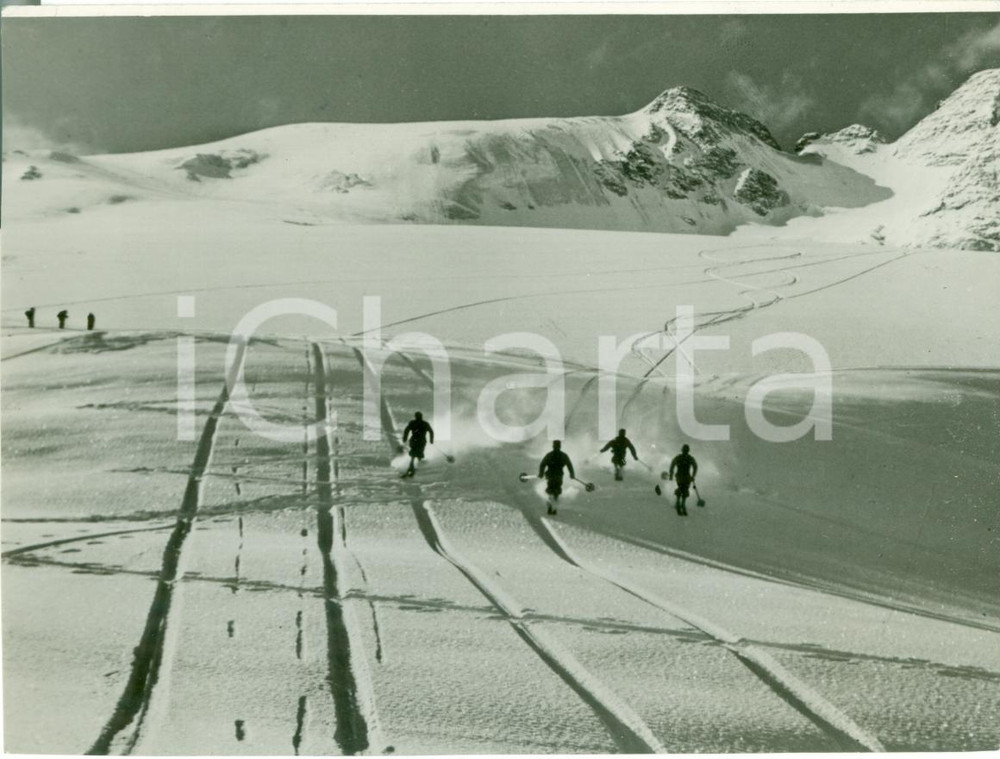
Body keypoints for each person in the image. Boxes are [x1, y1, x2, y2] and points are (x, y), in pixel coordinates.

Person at [538, 440, 576, 515]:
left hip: (550, 475)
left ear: (553, 446)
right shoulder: (563, 455)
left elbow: (542, 464)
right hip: (558, 476)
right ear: (560, 446)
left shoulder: (549, 455)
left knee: (550, 490)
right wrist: (572, 474)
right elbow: (569, 465)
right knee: (556, 491)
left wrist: (541, 473)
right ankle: (554, 508)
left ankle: (550, 507)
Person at [667, 444, 698, 515]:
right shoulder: (690, 458)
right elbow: (695, 467)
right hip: (686, 477)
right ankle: (682, 504)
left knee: (681, 488)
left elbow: (672, 465)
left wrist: (671, 475)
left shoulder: (679, 457)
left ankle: (679, 503)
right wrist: (693, 476)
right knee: (685, 489)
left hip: (680, 477)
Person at [401, 411, 434, 477]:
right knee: (415, 454)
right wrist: (431, 440)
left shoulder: (413, 423)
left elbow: (406, 430)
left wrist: (405, 437)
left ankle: (414, 466)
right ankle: (412, 468)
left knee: (415, 454)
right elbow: (431, 431)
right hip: (420, 441)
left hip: (416, 441)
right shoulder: (424, 423)